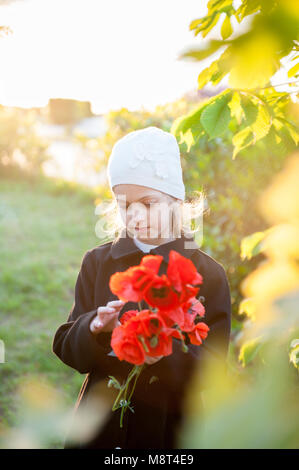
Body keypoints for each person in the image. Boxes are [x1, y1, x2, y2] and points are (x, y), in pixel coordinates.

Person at [52, 126, 232, 449]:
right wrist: (92, 326)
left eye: (148, 204)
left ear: (175, 200)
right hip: (102, 427)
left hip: (170, 429)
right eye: (125, 204)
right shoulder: (98, 263)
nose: (135, 215)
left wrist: (165, 354)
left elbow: (215, 369)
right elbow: (67, 348)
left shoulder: (209, 275)